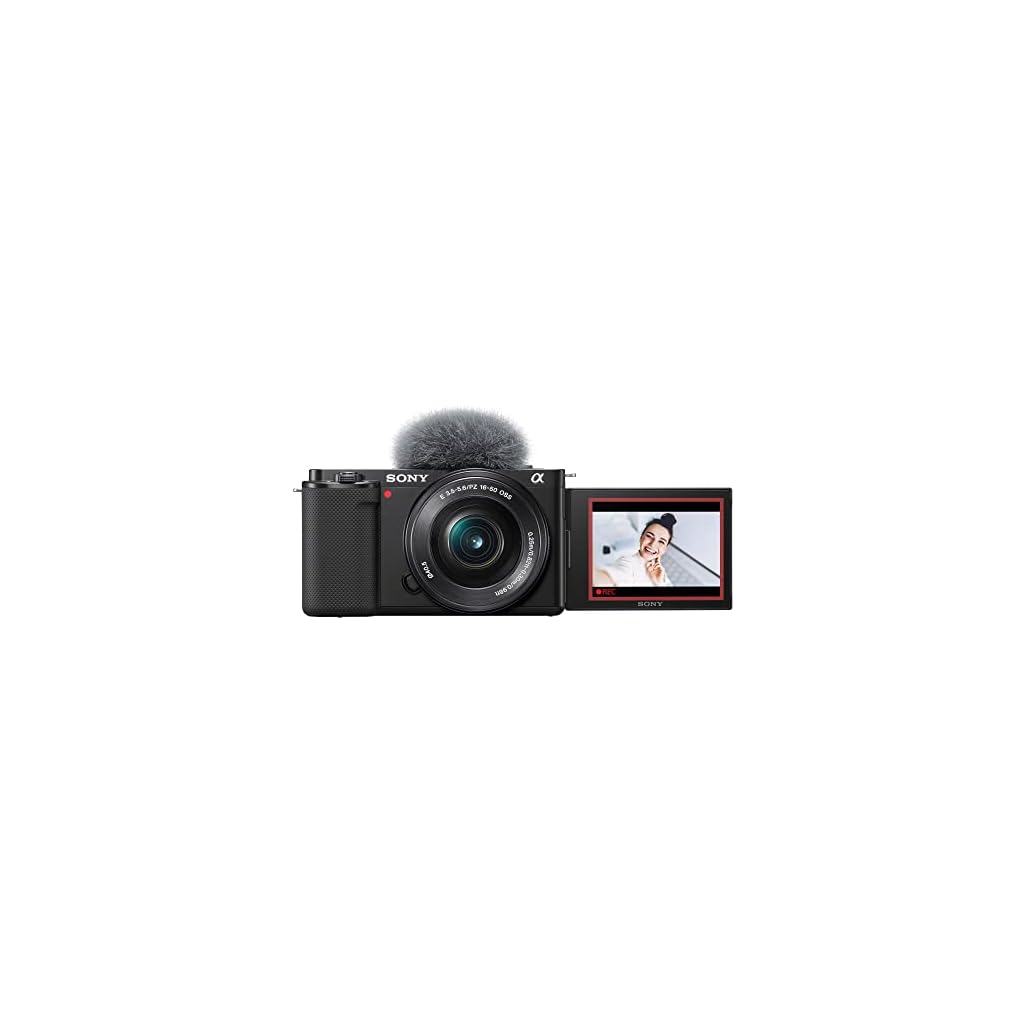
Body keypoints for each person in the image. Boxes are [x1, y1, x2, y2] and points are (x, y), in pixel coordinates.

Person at [595, 513, 676, 587]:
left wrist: (659, 583)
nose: (653, 544)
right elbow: (605, 579)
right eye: (649, 536)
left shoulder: (660, 572)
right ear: (641, 537)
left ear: (665, 549)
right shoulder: (627, 563)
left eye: (661, 542)